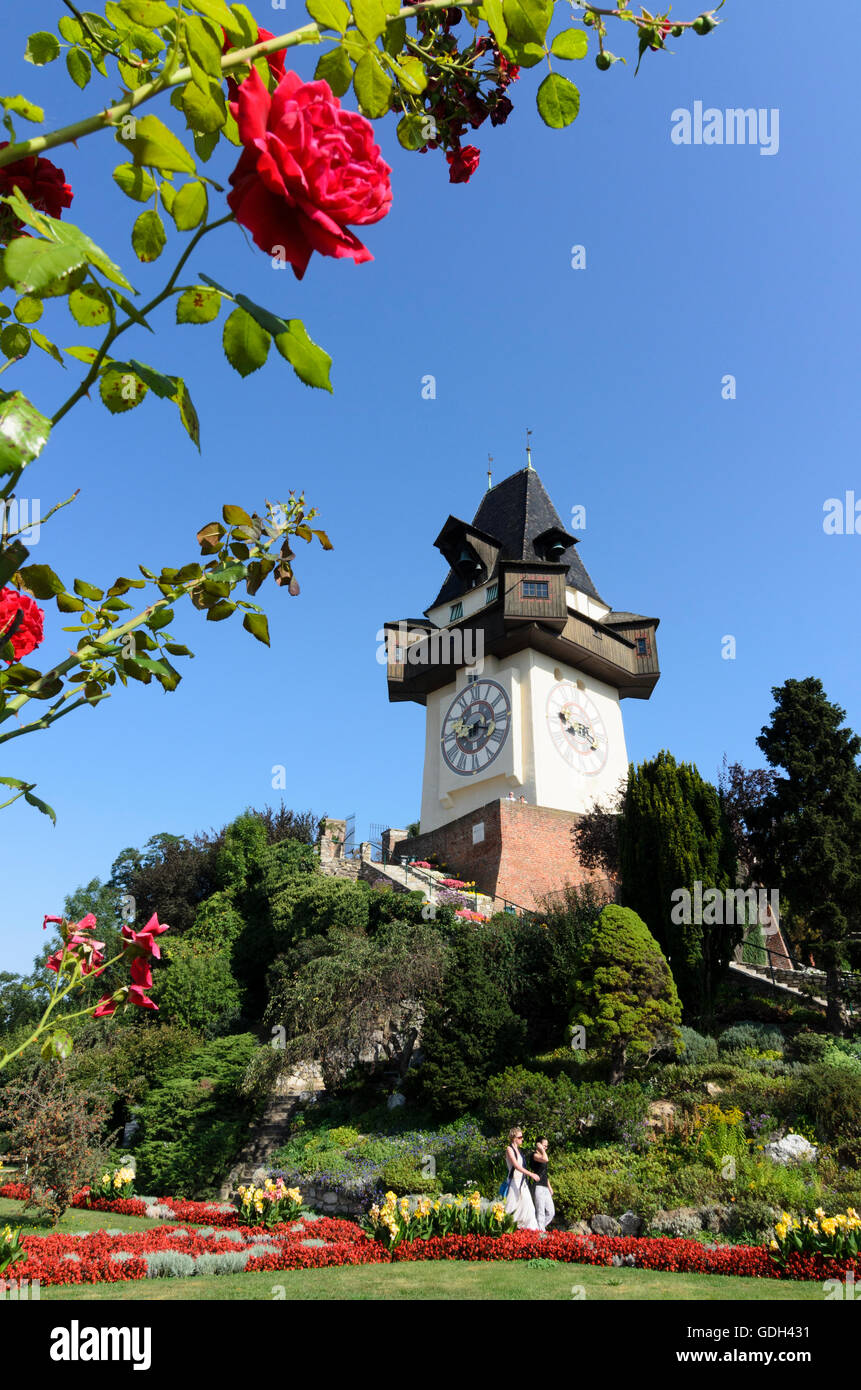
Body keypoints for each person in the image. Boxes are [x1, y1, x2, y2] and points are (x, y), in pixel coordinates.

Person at [503, 1126, 539, 1230]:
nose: (522, 1139)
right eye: (520, 1137)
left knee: (529, 1209)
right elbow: (516, 1166)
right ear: (514, 1138)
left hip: (522, 1183)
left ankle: (531, 1233)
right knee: (512, 1208)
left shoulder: (519, 1151)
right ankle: (508, 1231)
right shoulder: (509, 1149)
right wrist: (531, 1174)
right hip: (514, 1183)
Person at [532, 1136, 555, 1231]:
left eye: (546, 1146)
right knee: (540, 1212)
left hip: (545, 1187)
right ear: (538, 1144)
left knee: (551, 1212)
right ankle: (541, 1233)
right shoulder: (534, 1155)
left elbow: (545, 1173)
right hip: (538, 1187)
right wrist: (541, 1149)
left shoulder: (543, 1155)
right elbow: (546, 1159)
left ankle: (537, 1229)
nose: (545, 1148)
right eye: (544, 1146)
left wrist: (549, 1187)